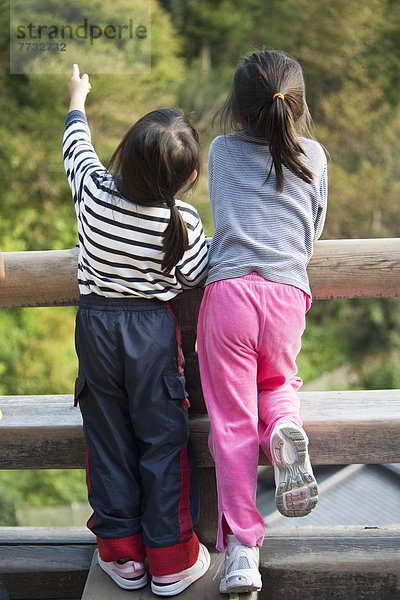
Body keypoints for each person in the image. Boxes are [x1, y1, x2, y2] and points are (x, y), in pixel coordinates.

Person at [63, 64, 210, 596]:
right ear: (188, 179)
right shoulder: (182, 223)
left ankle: (122, 556)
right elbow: (195, 274)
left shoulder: (94, 193)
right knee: (163, 440)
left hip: (96, 328)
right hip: (152, 334)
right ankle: (171, 560)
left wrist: (78, 99)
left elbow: (75, 147)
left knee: (106, 437)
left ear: (120, 155)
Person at [197, 49, 328, 594]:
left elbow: (223, 214)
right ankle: (281, 430)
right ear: (296, 109)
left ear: (236, 111)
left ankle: (243, 552)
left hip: (229, 295)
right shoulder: (315, 156)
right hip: (286, 297)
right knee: (277, 386)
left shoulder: (222, 151)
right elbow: (312, 231)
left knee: (230, 426)